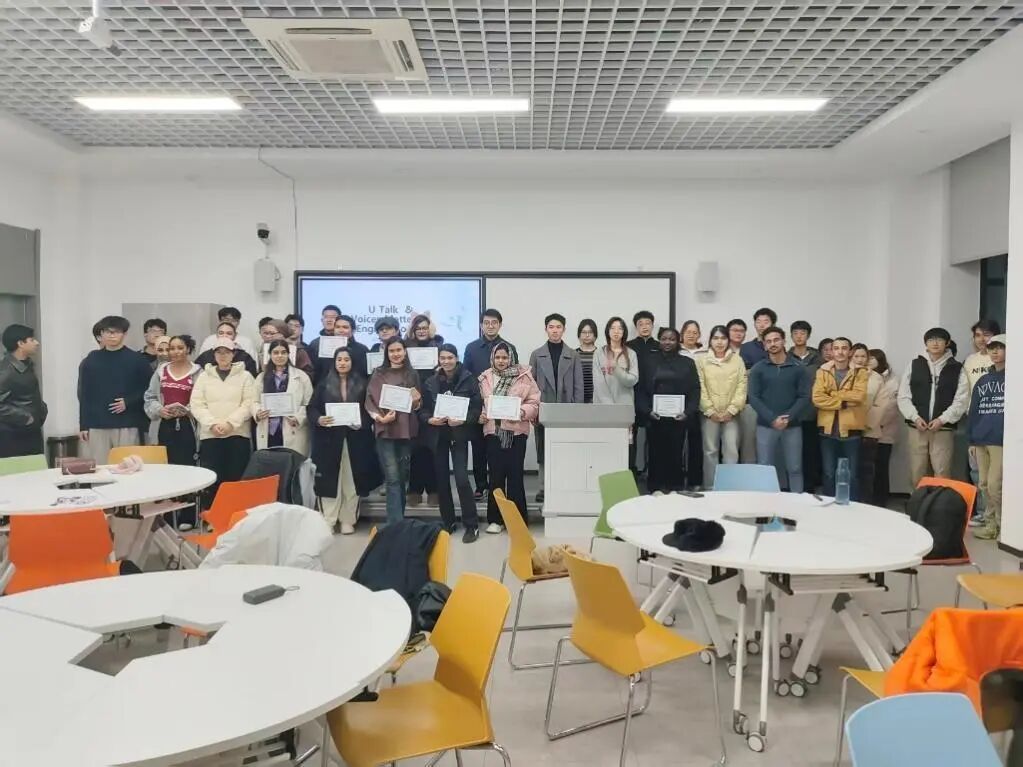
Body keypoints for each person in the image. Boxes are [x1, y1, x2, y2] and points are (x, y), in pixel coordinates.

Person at [308, 348, 382, 534]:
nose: (342, 363)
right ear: (334, 362)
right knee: (329, 480)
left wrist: (362, 422)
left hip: (355, 440)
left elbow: (371, 410)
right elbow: (312, 409)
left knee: (351, 480)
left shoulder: (363, 384)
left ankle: (348, 519)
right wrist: (319, 419)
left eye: (346, 359)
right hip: (328, 440)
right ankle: (328, 519)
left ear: (352, 362)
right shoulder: (323, 384)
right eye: (339, 359)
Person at [420, 344, 483, 541]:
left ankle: (471, 525)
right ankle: (448, 522)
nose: (446, 361)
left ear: (456, 358)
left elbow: (476, 409)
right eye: (443, 358)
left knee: (462, 479)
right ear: (439, 360)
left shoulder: (468, 378)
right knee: (441, 480)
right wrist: (429, 419)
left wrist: (463, 419)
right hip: (438, 436)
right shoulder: (430, 382)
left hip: (459, 435)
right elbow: (423, 410)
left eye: (450, 357)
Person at [479, 341, 540, 533]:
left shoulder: (524, 376)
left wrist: (522, 412)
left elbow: (535, 402)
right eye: (497, 357)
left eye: (505, 357)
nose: (501, 361)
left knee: (515, 477)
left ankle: (517, 520)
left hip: (516, 433)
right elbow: (481, 403)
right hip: (493, 433)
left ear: (511, 358)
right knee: (496, 478)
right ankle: (495, 520)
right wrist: (481, 415)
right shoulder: (485, 377)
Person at [897, 327, 969, 485]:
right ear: (926, 344)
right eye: (931, 340)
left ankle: (939, 501)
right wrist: (915, 417)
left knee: (942, 471)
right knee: (917, 471)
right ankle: (918, 500)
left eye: (939, 340)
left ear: (947, 343)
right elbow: (903, 396)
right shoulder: (914, 364)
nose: (935, 343)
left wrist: (942, 419)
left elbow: (962, 399)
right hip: (917, 427)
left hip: (943, 428)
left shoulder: (956, 368)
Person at [189, 338, 256, 507]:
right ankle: (212, 515)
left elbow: (249, 403)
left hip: (237, 435)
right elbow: (197, 404)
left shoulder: (245, 376)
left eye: (226, 352)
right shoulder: (204, 377)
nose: (223, 355)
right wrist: (212, 424)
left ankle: (234, 514)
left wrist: (230, 424)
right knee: (212, 479)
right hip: (210, 435)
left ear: (233, 354)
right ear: (214, 355)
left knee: (235, 478)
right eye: (219, 352)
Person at [78, 315, 153, 461]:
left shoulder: (137, 360)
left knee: (128, 465)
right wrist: (83, 425)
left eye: (117, 332)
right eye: (108, 331)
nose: (112, 335)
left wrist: (128, 402)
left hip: (127, 422)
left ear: (124, 334)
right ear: (101, 334)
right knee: (100, 467)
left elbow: (149, 390)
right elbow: (85, 394)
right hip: (97, 423)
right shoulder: (91, 359)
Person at [365, 337, 423, 524]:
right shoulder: (378, 373)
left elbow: (417, 405)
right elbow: (369, 401)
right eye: (392, 351)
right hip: (386, 430)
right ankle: (394, 524)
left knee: (403, 476)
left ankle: (399, 520)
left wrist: (417, 401)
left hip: (406, 431)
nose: (396, 354)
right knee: (392, 479)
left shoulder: (412, 374)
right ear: (386, 353)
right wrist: (380, 418)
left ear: (405, 351)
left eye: (399, 350)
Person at [529, 313, 584, 502]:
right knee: (543, 449)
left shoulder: (573, 355)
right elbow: (531, 386)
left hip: (566, 410)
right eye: (551, 327)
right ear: (546, 329)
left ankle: (563, 484)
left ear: (564, 329)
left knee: (565, 449)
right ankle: (543, 488)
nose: (555, 330)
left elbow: (579, 386)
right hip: (544, 411)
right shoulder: (537, 355)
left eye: (558, 327)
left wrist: (576, 411)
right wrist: (534, 410)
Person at [464, 309, 518, 501]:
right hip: (479, 406)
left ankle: (498, 487)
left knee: (499, 448)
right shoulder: (471, 348)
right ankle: (481, 485)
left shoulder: (509, 347)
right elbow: (466, 377)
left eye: (494, 322)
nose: (490, 326)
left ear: (500, 325)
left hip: (502, 408)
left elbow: (516, 377)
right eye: (486, 323)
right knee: (478, 447)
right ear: (481, 325)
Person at [748, 326, 810, 493]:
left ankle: (797, 502)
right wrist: (772, 419)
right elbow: (753, 397)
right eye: (768, 341)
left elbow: (804, 396)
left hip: (792, 425)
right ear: (764, 345)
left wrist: (788, 417)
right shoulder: (758, 368)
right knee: (765, 468)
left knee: (795, 468)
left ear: (784, 341)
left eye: (776, 340)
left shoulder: (798, 368)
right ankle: (766, 504)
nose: (773, 344)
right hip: (766, 425)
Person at [639, 327, 700, 493]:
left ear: (678, 341)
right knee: (655, 455)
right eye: (664, 339)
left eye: (672, 339)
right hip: (655, 418)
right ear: (659, 340)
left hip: (678, 419)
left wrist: (687, 412)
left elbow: (695, 390)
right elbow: (641, 389)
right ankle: (655, 489)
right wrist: (647, 410)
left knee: (676, 455)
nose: (668, 342)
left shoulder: (687, 363)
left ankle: (675, 488)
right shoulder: (648, 362)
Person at [812, 338, 869, 499]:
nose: (840, 352)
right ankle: (829, 505)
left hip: (852, 430)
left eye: (844, 348)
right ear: (832, 351)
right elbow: (817, 398)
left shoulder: (860, 372)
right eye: (836, 348)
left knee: (852, 474)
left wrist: (832, 394)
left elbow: (859, 396)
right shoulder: (822, 371)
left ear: (850, 352)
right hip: (827, 430)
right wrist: (843, 402)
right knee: (829, 473)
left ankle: (853, 507)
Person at [697, 325, 746, 488]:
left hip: (731, 415)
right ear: (710, 341)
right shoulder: (702, 361)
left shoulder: (737, 360)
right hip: (709, 415)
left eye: (723, 338)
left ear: (728, 340)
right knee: (710, 451)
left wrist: (732, 410)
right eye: (716, 338)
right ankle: (710, 487)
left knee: (731, 451)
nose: (719, 342)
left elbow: (742, 387)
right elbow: (700, 387)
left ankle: (729, 487)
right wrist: (709, 410)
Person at [963, 319, 1000, 526]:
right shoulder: (970, 361)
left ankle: (997, 516)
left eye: (986, 334)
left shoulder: (1004, 359)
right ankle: (982, 512)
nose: (982, 339)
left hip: (996, 420)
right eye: (978, 335)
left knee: (996, 476)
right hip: (975, 420)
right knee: (977, 471)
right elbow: (965, 391)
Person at [143, 334, 200, 466]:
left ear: (188, 349)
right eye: (172, 348)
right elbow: (150, 397)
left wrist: (188, 410)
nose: (175, 352)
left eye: (180, 348)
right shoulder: (161, 371)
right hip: (163, 424)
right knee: (162, 465)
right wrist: (159, 410)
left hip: (188, 426)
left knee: (186, 465)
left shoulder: (198, 372)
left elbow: (202, 400)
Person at [969, 334, 1005, 540]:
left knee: (995, 485)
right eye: (992, 348)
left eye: (1000, 347)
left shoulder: (1015, 377)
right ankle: (991, 525)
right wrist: (972, 440)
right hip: (981, 438)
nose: (995, 352)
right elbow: (974, 411)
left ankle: (1004, 527)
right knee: (983, 484)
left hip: (1001, 439)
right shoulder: (983, 380)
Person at [405, 313, 443, 507]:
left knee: (432, 449)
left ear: (430, 329)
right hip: (411, 402)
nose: (421, 331)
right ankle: (414, 490)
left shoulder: (439, 347)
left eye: (424, 328)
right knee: (414, 449)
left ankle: (434, 490)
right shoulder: (406, 348)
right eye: (418, 328)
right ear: (413, 330)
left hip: (433, 403)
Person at [252, 339, 313, 455]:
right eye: (276, 352)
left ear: (288, 354)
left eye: (283, 352)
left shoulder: (301, 376)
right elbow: (254, 401)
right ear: (270, 355)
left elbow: (309, 403)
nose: (280, 356)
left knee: (292, 463)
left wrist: (298, 418)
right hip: (268, 428)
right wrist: (257, 412)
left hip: (292, 428)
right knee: (270, 462)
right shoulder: (261, 377)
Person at [0, 324, 46, 458]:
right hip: (13, 436)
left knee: (37, 469)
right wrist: (25, 418)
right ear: (20, 343)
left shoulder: (27, 365)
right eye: (32, 340)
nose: (37, 343)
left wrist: (42, 409)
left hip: (31, 432)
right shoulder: (6, 370)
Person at [789, 320, 822, 492]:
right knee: (792, 454)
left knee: (810, 452)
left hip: (812, 412)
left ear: (808, 335)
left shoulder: (818, 359)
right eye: (795, 333)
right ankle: (791, 489)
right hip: (791, 412)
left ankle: (809, 489)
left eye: (802, 333)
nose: (799, 336)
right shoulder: (786, 356)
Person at [627, 310, 660, 475]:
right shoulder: (628, 346)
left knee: (653, 437)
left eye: (648, 323)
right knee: (630, 438)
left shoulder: (659, 346)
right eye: (641, 324)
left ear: (652, 326)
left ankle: (651, 470)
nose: (645, 327)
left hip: (653, 397)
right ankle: (630, 470)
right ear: (636, 327)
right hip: (632, 395)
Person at [865, 348, 899, 506]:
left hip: (885, 431)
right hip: (866, 431)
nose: (869, 361)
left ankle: (880, 502)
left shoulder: (892, 380)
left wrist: (877, 423)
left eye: (873, 358)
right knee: (867, 469)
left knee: (881, 467)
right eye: (868, 358)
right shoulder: (865, 376)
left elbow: (891, 407)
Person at [592, 316, 639, 407]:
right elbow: (598, 383)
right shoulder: (599, 353)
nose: (616, 331)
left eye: (620, 328)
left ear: (624, 332)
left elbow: (632, 380)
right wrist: (610, 406)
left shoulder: (631, 353)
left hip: (625, 405)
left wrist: (616, 369)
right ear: (608, 331)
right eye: (612, 328)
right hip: (602, 405)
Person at [194, 322, 258, 377]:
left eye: (229, 333)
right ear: (217, 335)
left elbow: (252, 379)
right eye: (221, 333)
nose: (224, 336)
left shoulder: (245, 358)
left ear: (234, 336)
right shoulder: (205, 356)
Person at [576, 319, 598, 404]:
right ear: (579, 334)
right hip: (578, 398)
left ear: (595, 334)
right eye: (584, 332)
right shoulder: (573, 354)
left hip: (597, 399)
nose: (587, 335)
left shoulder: (601, 354)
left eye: (590, 332)